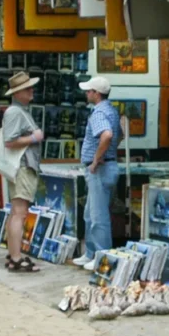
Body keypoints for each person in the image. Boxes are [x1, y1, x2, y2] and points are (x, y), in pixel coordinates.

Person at [0, 72, 44, 273]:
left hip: (23, 166)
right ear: (17, 93)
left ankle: (13, 253)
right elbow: (9, 141)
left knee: (17, 212)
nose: (32, 90)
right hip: (23, 167)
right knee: (20, 213)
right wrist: (34, 138)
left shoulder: (19, 111)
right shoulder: (16, 112)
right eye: (27, 88)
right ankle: (16, 257)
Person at [73, 76, 120, 271]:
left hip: (100, 169)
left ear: (96, 93)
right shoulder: (111, 110)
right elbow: (119, 135)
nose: (86, 93)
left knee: (98, 215)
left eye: (89, 90)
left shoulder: (99, 113)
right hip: (107, 166)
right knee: (90, 214)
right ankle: (91, 253)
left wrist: (96, 159)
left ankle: (102, 257)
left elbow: (107, 135)